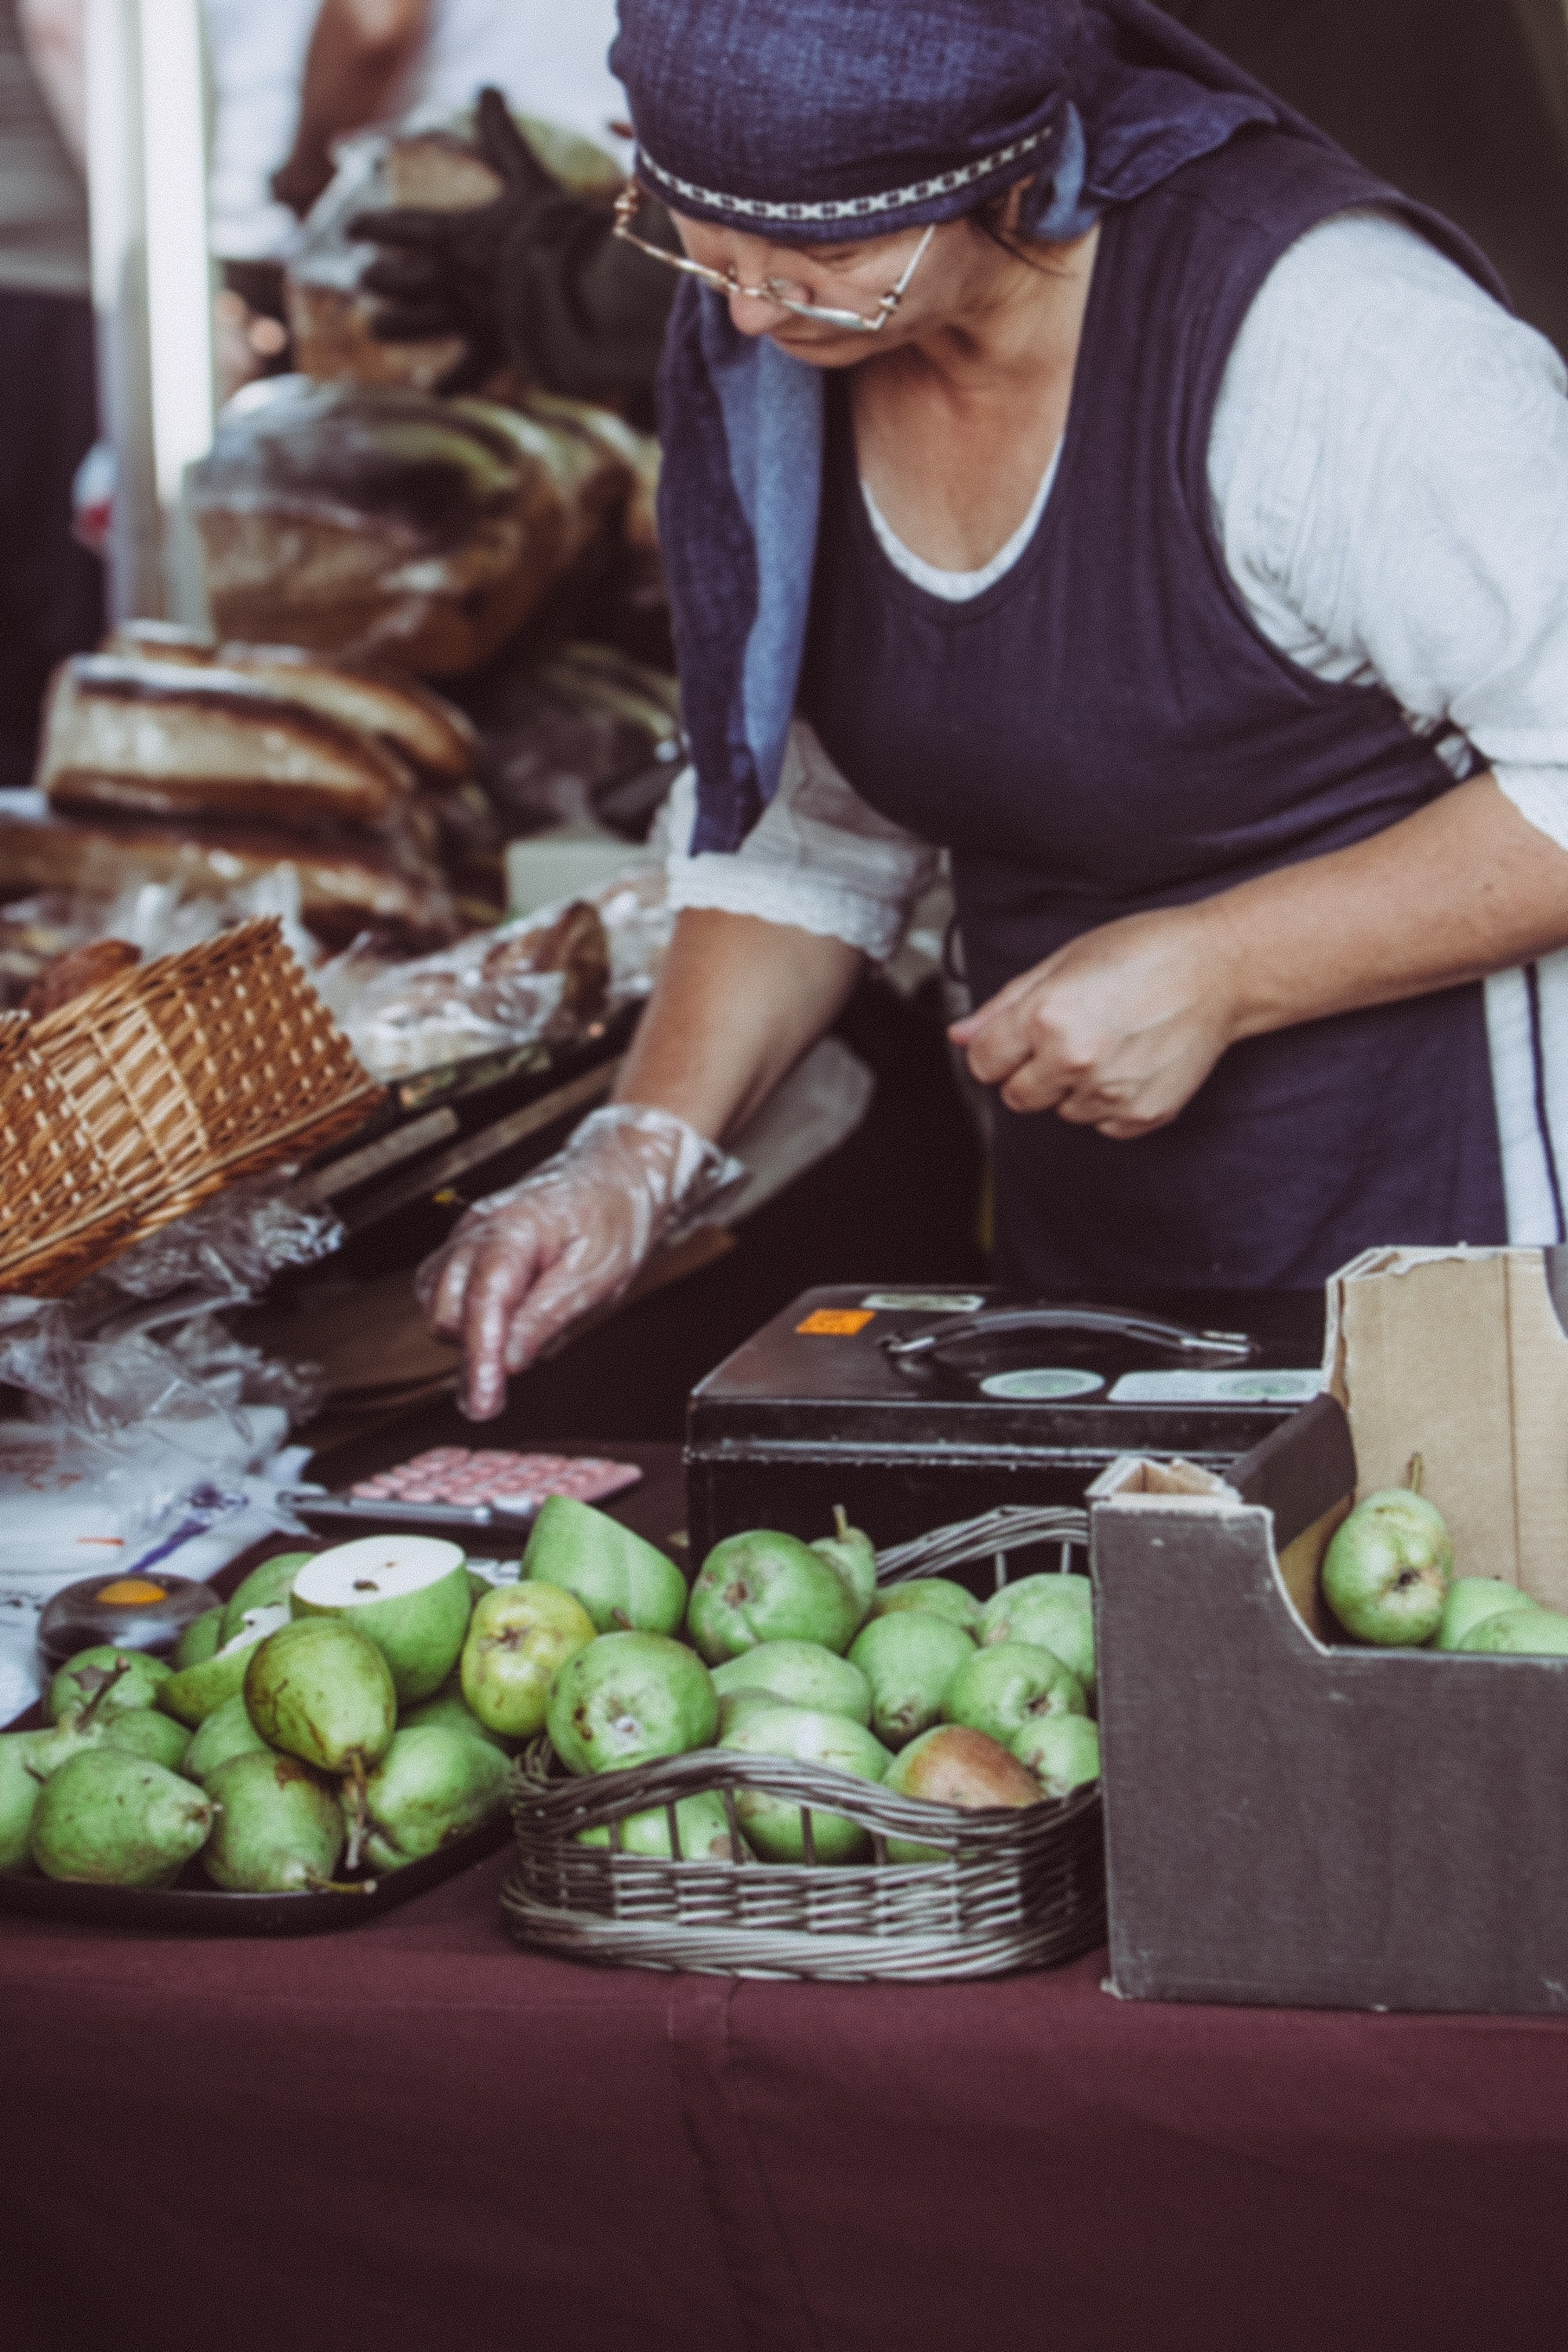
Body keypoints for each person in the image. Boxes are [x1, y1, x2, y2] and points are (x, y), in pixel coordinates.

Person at [419, 0, 1568, 1421]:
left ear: (1009, 183)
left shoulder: (1336, 343)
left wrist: (1224, 967)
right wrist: (637, 1151)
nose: (754, 314)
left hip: (1456, 1225)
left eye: (827, 262)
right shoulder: (781, 355)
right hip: (1091, 1247)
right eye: (703, 250)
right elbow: (813, 835)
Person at [0, 0, 101, 787]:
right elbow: (61, 26)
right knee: (58, 626)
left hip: (34, 279)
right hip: (51, 281)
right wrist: (168, 244)